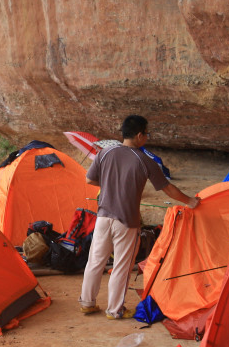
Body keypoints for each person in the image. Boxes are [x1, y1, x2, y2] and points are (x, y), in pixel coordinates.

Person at [80, 115, 199, 319]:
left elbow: (89, 179)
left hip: (102, 217)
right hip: (126, 220)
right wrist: (190, 201)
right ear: (139, 135)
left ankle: (87, 303)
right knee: (122, 266)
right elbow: (167, 189)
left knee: (95, 261)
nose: (147, 138)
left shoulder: (105, 153)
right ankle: (114, 310)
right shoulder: (144, 160)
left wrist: (111, 185)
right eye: (146, 133)